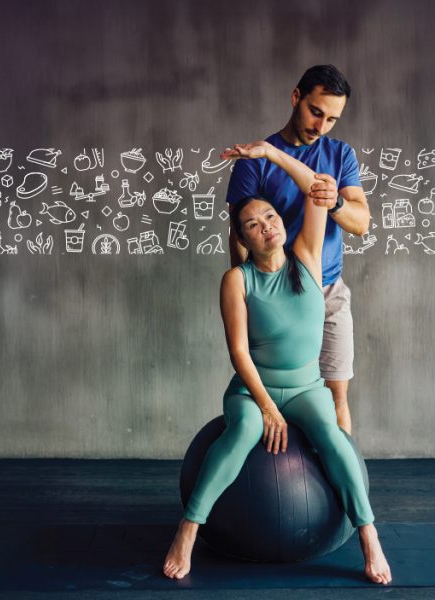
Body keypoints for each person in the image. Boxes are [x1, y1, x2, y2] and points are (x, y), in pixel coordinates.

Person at [163, 141, 391, 585]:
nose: (265, 225)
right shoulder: (236, 280)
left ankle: (369, 536)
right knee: (245, 429)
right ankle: (187, 531)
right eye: (252, 223)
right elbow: (239, 354)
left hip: (307, 389)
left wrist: (270, 154)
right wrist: (266, 406)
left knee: (330, 432)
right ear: (242, 238)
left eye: (269, 216)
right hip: (253, 390)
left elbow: (319, 189)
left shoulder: (307, 257)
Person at [224, 64, 369, 435]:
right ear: (296, 98)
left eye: (332, 119)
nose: (321, 126)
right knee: (274, 395)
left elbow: (360, 223)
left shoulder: (339, 155)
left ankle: (338, 490)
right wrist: (245, 296)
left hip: (328, 289)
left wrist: (334, 201)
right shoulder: (252, 163)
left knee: (336, 394)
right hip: (275, 295)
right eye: (315, 112)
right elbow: (238, 235)